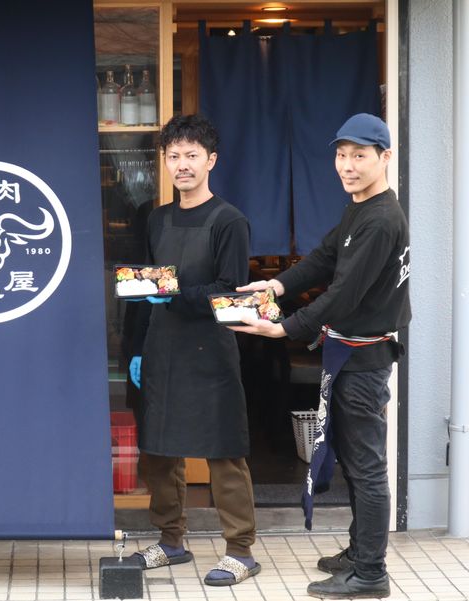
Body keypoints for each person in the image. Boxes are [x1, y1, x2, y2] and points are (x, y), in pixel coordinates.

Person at [230, 113, 410, 600]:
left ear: (384, 157)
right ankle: (360, 551)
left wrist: (284, 327)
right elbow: (325, 258)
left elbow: (343, 295)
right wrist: (276, 285)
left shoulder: (381, 220)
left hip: (364, 358)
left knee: (366, 466)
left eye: (359, 156)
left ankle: (370, 573)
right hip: (349, 354)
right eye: (341, 155)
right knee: (353, 458)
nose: (347, 165)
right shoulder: (361, 209)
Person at [128, 114, 261, 586]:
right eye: (173, 156)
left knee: (223, 449)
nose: (182, 164)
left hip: (210, 349)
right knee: (158, 449)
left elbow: (230, 290)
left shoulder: (229, 220)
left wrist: (174, 296)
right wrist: (136, 348)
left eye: (191, 155)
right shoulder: (157, 218)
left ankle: (240, 550)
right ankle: (171, 541)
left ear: (211, 161)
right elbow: (145, 284)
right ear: (164, 162)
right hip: (161, 345)